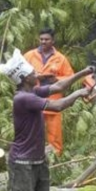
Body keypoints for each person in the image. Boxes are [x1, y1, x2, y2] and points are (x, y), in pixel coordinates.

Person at [0, 49, 93, 191]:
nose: (37, 74)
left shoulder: (33, 91)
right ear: (25, 78)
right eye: (34, 73)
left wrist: (83, 73)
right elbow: (58, 105)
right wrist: (79, 93)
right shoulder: (23, 98)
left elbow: (58, 87)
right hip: (22, 161)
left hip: (38, 159)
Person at [24, 28, 75, 156]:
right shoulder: (29, 55)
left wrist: (56, 79)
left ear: (53, 41)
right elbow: (20, 74)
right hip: (33, 99)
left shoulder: (61, 59)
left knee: (55, 133)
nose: (43, 42)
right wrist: (36, 77)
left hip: (53, 101)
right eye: (41, 39)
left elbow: (70, 77)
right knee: (32, 130)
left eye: (46, 39)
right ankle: (32, 154)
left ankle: (55, 157)